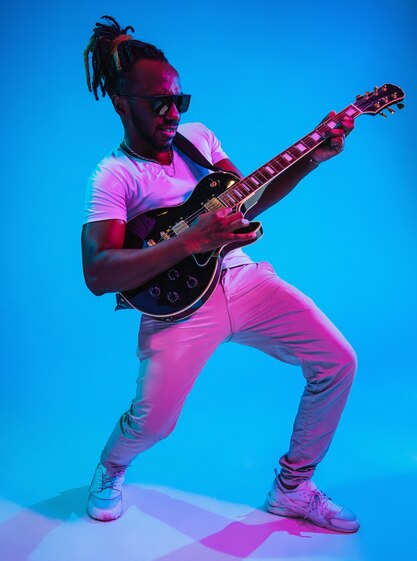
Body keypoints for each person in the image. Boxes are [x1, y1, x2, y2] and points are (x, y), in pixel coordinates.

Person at [82, 15, 359, 533]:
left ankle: (293, 488)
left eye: (179, 101)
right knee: (154, 422)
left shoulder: (198, 138)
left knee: (338, 361)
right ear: (121, 103)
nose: (172, 112)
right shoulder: (114, 175)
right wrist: (194, 239)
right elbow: (98, 273)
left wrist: (314, 157)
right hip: (177, 309)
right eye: (157, 102)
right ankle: (111, 467)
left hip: (244, 280)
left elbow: (250, 200)